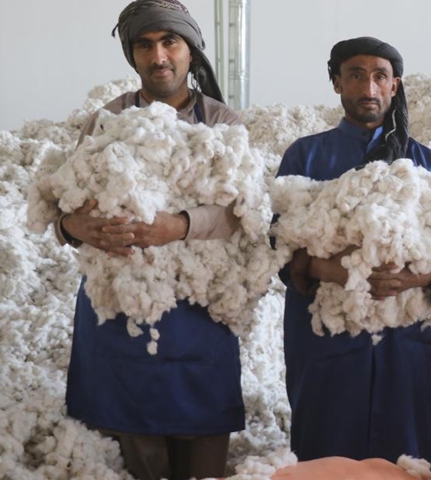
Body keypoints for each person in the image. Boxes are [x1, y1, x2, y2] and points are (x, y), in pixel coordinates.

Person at [59, 1, 243, 478]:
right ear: (132, 55)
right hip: (121, 306)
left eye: (170, 42)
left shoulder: (223, 124)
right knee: (132, 429)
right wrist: (73, 227)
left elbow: (244, 212)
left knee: (200, 425)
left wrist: (178, 226)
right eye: (145, 45)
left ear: (191, 50)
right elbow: (67, 200)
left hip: (198, 308)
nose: (158, 56)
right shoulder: (106, 121)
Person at [274, 36, 431, 468]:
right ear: (337, 83)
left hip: (405, 341)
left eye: (380, 76)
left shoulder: (424, 162)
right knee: (327, 449)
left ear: (394, 86)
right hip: (327, 340)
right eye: (356, 75)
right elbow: (278, 242)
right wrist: (335, 271)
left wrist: (416, 279)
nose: (369, 88)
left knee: (406, 450)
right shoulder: (306, 156)